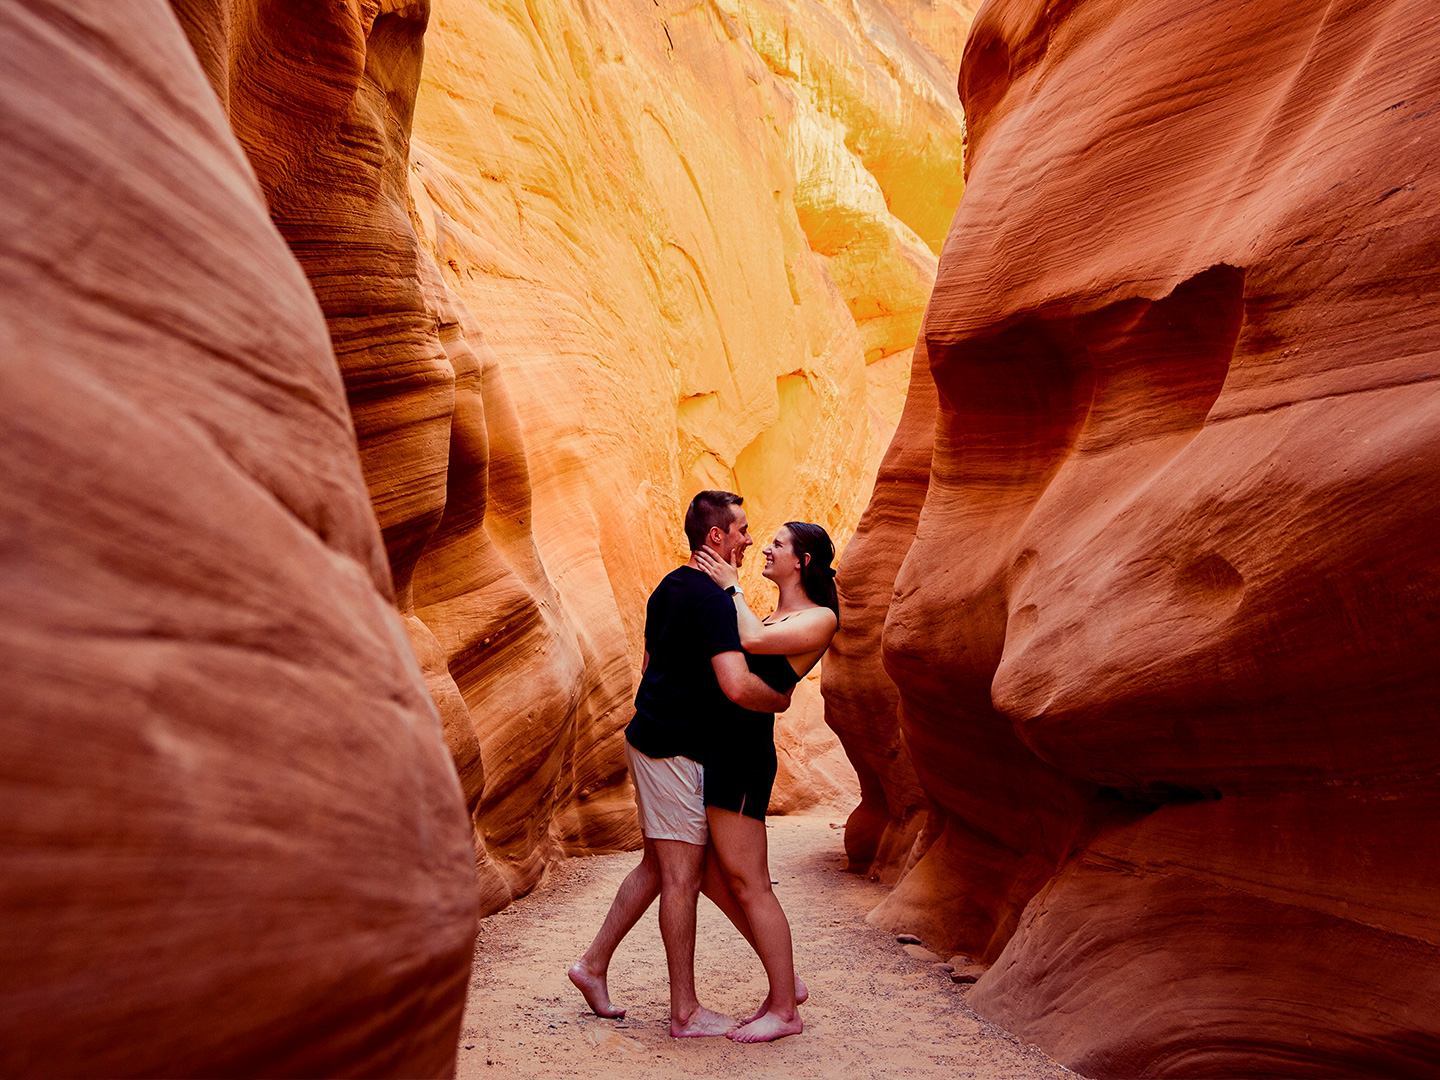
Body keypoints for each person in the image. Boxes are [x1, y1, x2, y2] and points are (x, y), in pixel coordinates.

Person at [568, 491, 799, 1038]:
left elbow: (648, 666)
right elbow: (738, 686)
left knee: (656, 866)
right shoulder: (716, 602)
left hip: (651, 739)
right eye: (741, 529)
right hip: (673, 751)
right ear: (714, 537)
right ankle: (684, 1012)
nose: (747, 538)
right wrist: (782, 699)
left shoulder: (668, 586)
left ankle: (592, 966)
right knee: (680, 875)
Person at [693, 520, 840, 1042]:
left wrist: (729, 584)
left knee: (752, 883)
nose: (766, 549)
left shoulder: (819, 618)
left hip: (742, 755)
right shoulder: (775, 610)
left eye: (777, 544)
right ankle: (784, 981)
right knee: (710, 874)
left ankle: (785, 1008)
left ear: (802, 561)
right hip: (719, 748)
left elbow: (752, 641)